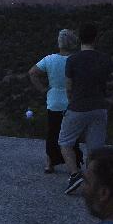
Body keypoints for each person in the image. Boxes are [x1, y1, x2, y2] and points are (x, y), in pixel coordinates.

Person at [59, 23, 113, 195]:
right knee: (95, 151)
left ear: (79, 39)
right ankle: (93, 183)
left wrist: (70, 103)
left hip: (78, 107)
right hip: (100, 108)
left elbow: (68, 87)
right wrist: (112, 99)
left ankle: (75, 175)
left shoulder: (73, 59)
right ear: (96, 38)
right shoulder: (104, 58)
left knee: (65, 142)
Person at [28, 29, 82, 174]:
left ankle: (49, 163)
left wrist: (43, 89)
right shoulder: (77, 60)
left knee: (52, 133)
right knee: (72, 134)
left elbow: (32, 73)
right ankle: (74, 164)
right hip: (72, 102)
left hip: (54, 101)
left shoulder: (49, 59)